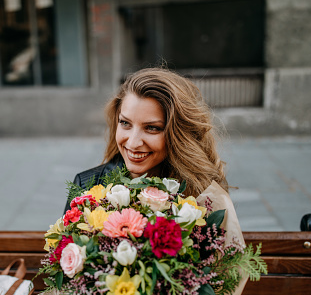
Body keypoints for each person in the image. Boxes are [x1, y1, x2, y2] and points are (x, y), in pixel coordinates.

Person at [64, 67, 228, 212]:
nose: (133, 143)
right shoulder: (86, 187)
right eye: (125, 123)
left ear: (180, 135)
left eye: (152, 128)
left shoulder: (203, 194)